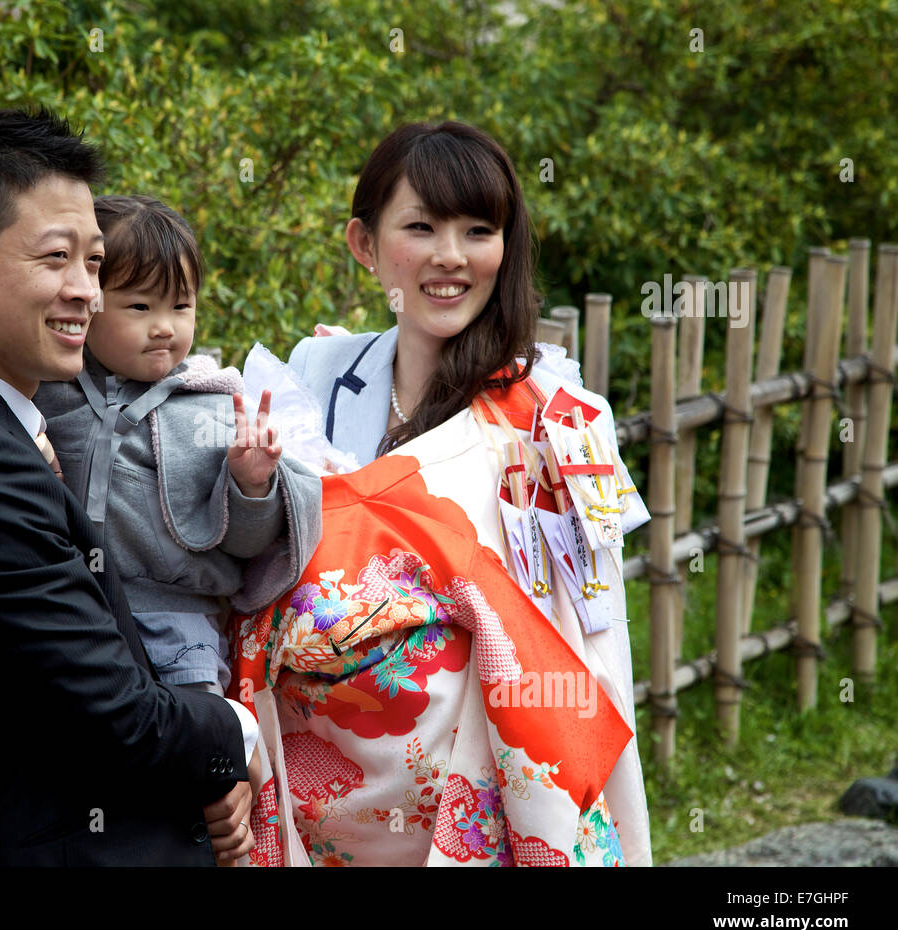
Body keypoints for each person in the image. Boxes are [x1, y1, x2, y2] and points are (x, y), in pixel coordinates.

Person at [233, 121, 652, 866]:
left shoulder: (555, 412)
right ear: (364, 244)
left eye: (478, 230)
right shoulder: (315, 374)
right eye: (420, 227)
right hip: (322, 787)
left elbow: (592, 627)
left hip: (484, 776)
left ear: (508, 244)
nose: (450, 257)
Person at [0, 108, 258, 866]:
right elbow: (118, 717)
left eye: (94, 263)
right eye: (54, 259)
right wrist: (235, 733)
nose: (87, 293)